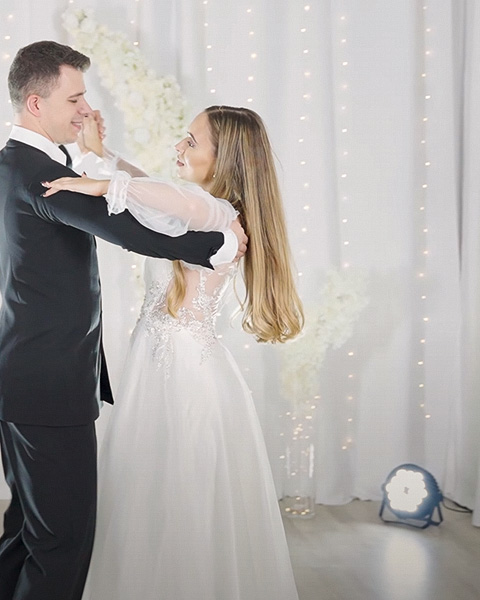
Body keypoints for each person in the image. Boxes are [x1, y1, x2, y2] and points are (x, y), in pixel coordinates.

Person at [0, 42, 248, 600]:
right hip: (47, 387)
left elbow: (140, 202)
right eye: (74, 98)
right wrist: (218, 245)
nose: (85, 108)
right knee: (62, 542)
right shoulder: (42, 176)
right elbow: (127, 228)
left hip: (17, 376)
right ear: (36, 103)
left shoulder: (4, 166)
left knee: (27, 532)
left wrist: (101, 160)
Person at [42, 105, 304, 599]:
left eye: (191, 142)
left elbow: (159, 194)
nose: (178, 147)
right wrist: (103, 156)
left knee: (181, 490)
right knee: (151, 489)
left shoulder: (218, 212)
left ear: (224, 159)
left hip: (184, 372)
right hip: (161, 362)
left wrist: (101, 183)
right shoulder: (199, 204)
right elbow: (156, 190)